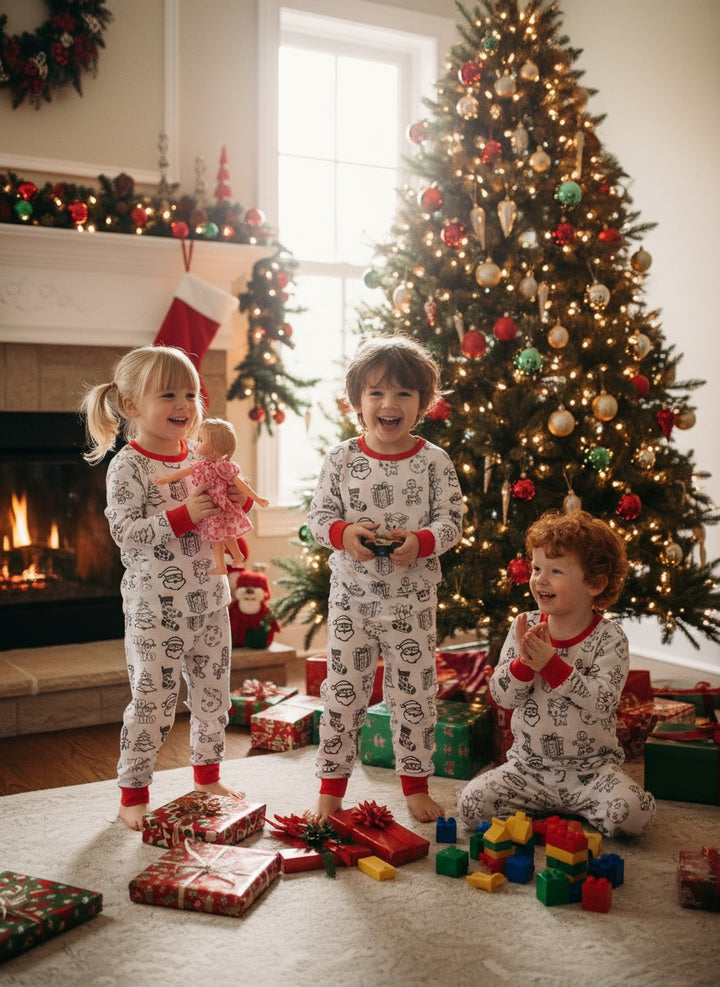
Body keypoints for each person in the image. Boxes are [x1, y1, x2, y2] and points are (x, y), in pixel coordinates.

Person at [80, 345, 247, 830]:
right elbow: (126, 534)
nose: (184, 404)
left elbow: (223, 517)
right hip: (156, 608)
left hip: (211, 602)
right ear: (131, 405)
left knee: (214, 698)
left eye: (191, 394)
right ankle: (133, 793)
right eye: (169, 394)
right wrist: (182, 514)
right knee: (153, 704)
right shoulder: (127, 466)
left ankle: (207, 775)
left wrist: (236, 502)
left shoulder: (202, 455)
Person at [307, 335, 463, 823]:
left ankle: (415, 785)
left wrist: (422, 541)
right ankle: (330, 790)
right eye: (375, 393)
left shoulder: (434, 461)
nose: (388, 404)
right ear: (358, 403)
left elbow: (452, 519)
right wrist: (344, 532)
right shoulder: (341, 459)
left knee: (413, 695)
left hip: (411, 604)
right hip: (352, 603)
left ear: (423, 403)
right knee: (343, 693)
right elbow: (318, 518)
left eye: (402, 394)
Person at [457, 509, 656, 838]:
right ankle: (549, 827)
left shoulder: (609, 638)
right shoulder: (524, 625)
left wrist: (551, 665)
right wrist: (524, 663)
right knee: (471, 805)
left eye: (555, 570)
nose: (539, 579)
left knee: (633, 815)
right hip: (528, 769)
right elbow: (502, 697)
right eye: (536, 568)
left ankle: (556, 818)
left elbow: (602, 702)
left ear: (595, 583)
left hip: (590, 772)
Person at [154, 417, 269, 575]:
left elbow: (240, 484)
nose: (197, 444)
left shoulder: (223, 466)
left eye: (201, 440)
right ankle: (234, 556)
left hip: (219, 508)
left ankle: (228, 561)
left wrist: (255, 498)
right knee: (224, 536)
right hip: (213, 509)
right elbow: (183, 473)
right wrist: (167, 479)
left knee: (221, 537)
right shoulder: (201, 465)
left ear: (214, 448)